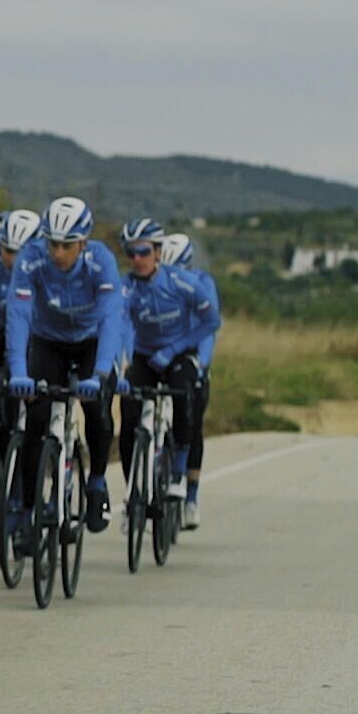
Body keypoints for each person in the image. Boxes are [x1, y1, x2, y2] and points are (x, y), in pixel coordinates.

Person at [5, 197, 122, 539]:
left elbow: (111, 318)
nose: (57, 252)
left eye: (66, 245)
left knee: (98, 412)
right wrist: (18, 371)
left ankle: (97, 483)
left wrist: (100, 374)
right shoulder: (31, 259)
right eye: (52, 243)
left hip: (90, 343)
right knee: (35, 422)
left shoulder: (101, 261)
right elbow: (18, 314)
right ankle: (28, 510)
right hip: (48, 341)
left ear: (83, 242)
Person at [116, 219, 220, 514]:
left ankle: (178, 472)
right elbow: (120, 321)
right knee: (128, 412)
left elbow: (211, 321)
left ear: (158, 252)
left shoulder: (182, 283)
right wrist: (123, 357)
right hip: (144, 356)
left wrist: (177, 350)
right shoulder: (126, 287)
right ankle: (133, 489)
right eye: (131, 253)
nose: (137, 259)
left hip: (178, 353)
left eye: (143, 252)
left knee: (184, 395)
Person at [0, 208, 41, 538]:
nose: (10, 258)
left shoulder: (42, 270)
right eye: (6, 250)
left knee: (34, 418)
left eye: (19, 252)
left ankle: (45, 484)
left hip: (36, 340)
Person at [158, 232, 220, 529]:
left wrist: (202, 364)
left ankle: (191, 497)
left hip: (192, 358)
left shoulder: (202, 284)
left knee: (192, 424)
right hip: (161, 357)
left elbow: (208, 330)